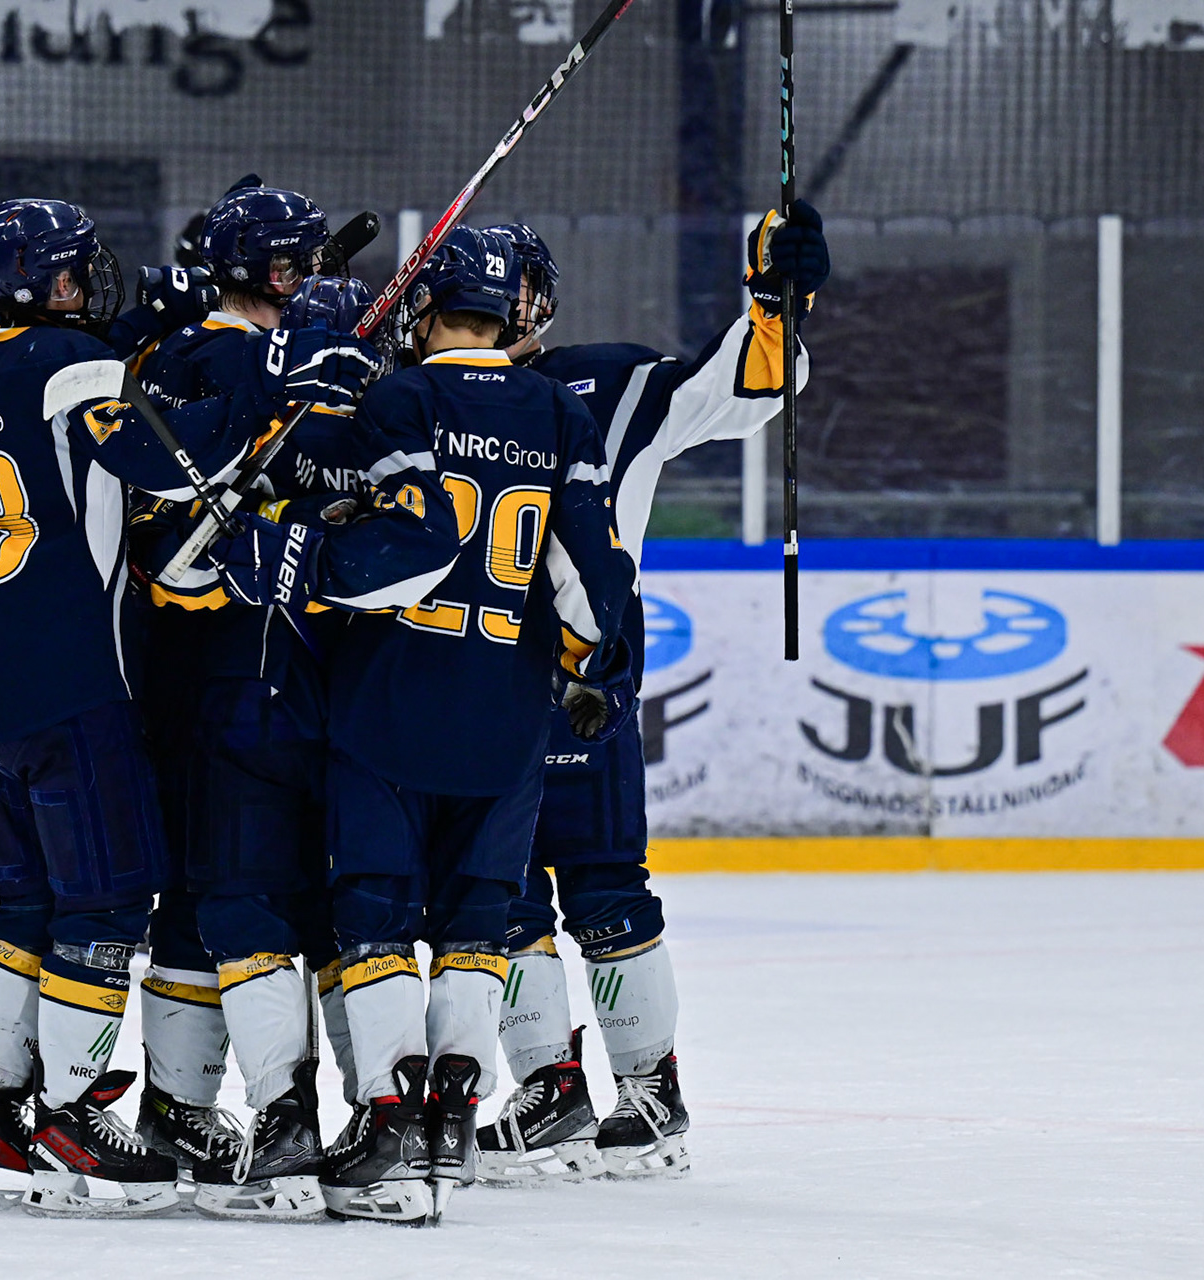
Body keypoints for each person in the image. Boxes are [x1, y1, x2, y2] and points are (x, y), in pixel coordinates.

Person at [0, 196, 366, 1217]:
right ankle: (70, 1121)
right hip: (74, 676)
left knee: (26, 903)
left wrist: (148, 323)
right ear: (48, 286)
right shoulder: (71, 366)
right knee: (108, 902)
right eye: (76, 271)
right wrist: (280, 386)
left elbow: (79, 366)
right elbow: (177, 460)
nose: (93, 282)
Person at [283, 227, 640, 1225]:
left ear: (427, 307)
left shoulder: (402, 399)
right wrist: (589, 663)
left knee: (377, 913)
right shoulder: (559, 410)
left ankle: (390, 1119)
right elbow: (591, 577)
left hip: (390, 700)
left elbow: (384, 537)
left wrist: (311, 552)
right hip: (507, 716)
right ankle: (452, 1124)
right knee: (479, 922)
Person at [472, 206, 830, 1183]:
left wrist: (774, 305)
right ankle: (549, 1089)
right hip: (461, 680)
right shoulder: (411, 392)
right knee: (495, 895)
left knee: (602, 884)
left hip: (579, 677)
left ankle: (648, 1089)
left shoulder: (614, 386)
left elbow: (743, 388)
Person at [122, 186, 375, 1220]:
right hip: (259, 679)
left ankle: (261, 1120)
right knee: (242, 899)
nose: (308, 274)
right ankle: (265, 1117)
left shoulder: (294, 359)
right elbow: (165, 536)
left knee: (238, 898)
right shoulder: (219, 357)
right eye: (296, 261)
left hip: (258, 682)